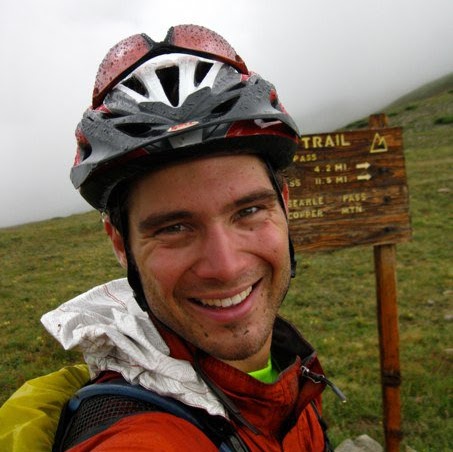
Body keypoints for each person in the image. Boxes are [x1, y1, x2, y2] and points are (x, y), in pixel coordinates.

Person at [0, 24, 342, 451]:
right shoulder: (136, 440)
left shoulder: (289, 365)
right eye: (174, 228)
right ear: (120, 244)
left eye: (249, 211)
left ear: (284, 206)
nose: (226, 267)